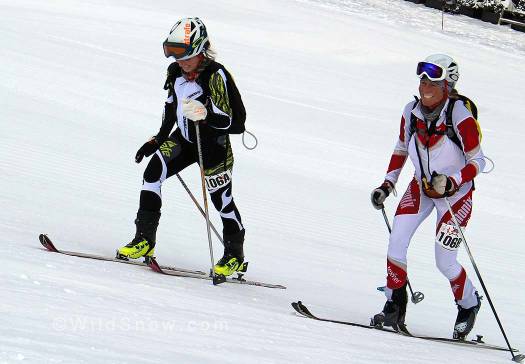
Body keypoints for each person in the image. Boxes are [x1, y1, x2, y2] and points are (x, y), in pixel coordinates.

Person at [117, 17, 246, 277]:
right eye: (175, 56)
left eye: (186, 57)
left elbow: (237, 122)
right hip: (185, 140)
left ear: (201, 52)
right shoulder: (175, 72)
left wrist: (205, 114)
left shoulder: (216, 75)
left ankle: (234, 256)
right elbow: (170, 109)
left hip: (213, 147)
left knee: (222, 201)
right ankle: (144, 240)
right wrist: (157, 139)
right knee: (151, 176)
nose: (180, 63)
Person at [370, 54, 485, 339]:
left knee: (444, 260)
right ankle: (394, 304)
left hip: (455, 196)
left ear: (448, 85)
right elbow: (400, 148)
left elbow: (479, 160)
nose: (425, 85)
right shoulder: (411, 111)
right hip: (421, 188)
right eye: (422, 79)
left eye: (433, 80)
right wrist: (387, 184)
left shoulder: (459, 114)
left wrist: (454, 180)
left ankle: (469, 304)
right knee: (397, 238)